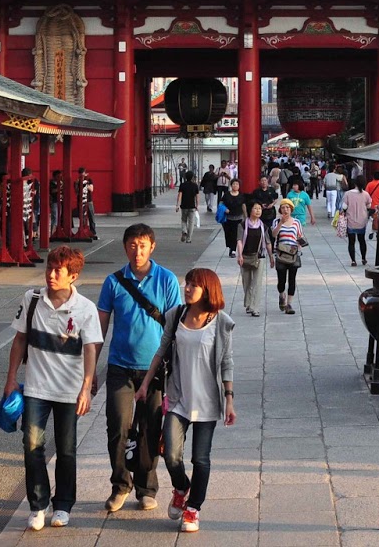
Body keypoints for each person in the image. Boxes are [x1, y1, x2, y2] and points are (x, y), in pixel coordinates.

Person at [5, 246, 103, 530]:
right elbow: (19, 341)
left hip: (69, 391)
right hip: (36, 387)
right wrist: (11, 378)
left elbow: (90, 350)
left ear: (73, 276)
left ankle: (63, 505)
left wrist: (86, 388)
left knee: (66, 449)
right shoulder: (32, 299)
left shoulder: (85, 309)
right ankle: (38, 504)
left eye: (58, 270)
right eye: (49, 267)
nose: (51, 274)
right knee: (31, 445)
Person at [137, 268, 237, 534]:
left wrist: (229, 398)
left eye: (194, 285)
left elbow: (226, 362)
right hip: (179, 398)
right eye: (187, 283)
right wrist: (145, 384)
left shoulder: (221, 322)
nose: (188, 288)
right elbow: (161, 350)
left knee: (201, 459)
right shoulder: (176, 315)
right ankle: (182, 488)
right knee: (170, 454)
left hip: (207, 402)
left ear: (208, 289)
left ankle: (193, 508)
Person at [95, 224, 183, 511]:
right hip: (120, 366)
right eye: (132, 244)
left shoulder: (167, 280)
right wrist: (91, 372)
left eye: (143, 244)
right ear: (125, 247)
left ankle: (147, 487)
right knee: (117, 426)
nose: (137, 250)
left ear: (152, 247)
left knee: (149, 428)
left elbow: (175, 326)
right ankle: (120, 483)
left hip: (154, 369)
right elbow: (100, 328)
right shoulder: (113, 282)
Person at [271, 198, 307, 314]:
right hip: (281, 254)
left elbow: (299, 235)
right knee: (281, 281)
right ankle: (282, 295)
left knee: (292, 279)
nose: (285, 210)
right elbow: (273, 234)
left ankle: (289, 304)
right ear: (280, 210)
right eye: (283, 208)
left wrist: (301, 243)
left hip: (293, 254)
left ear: (291, 209)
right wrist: (281, 223)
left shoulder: (296, 222)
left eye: (287, 207)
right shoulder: (276, 221)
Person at [236, 200, 271, 316]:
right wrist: (240, 255)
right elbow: (240, 240)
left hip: (259, 256)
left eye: (260, 209)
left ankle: (255, 307)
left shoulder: (263, 226)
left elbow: (268, 242)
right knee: (247, 282)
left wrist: (271, 256)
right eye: (255, 208)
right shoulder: (242, 225)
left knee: (257, 283)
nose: (258, 211)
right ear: (250, 210)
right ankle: (249, 303)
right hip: (245, 256)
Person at [342, 178, 372, 266]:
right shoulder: (365, 194)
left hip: (350, 220)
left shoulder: (347, 194)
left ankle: (353, 260)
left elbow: (344, 206)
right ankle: (363, 258)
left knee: (351, 242)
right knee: (362, 240)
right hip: (362, 220)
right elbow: (369, 205)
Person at [219, 181, 245, 259]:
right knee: (229, 234)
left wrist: (246, 216)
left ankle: (233, 250)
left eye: (237, 184)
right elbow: (221, 203)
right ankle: (231, 246)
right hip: (228, 218)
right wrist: (224, 209)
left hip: (239, 218)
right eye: (234, 184)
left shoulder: (241, 195)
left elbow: (243, 206)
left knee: (236, 234)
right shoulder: (227, 195)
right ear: (231, 185)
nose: (235, 185)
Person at [178, 171, 201, 243]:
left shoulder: (182, 185)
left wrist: (177, 205)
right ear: (192, 177)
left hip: (184, 206)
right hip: (192, 206)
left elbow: (180, 195)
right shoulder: (195, 185)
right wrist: (197, 205)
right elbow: (197, 197)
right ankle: (189, 239)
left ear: (185, 177)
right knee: (191, 222)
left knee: (183, 220)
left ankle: (184, 230)